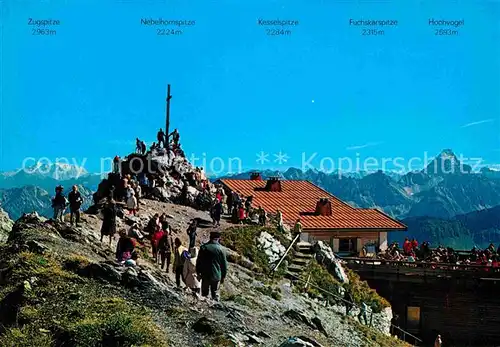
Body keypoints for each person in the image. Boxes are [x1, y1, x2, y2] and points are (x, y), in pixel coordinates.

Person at [196, 231, 228, 302]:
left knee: (204, 294)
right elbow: (224, 265)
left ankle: (203, 307)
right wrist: (223, 276)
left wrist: (198, 273)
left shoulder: (203, 247)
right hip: (216, 275)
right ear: (218, 238)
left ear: (210, 238)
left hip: (205, 274)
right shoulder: (221, 249)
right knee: (215, 293)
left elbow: (198, 262)